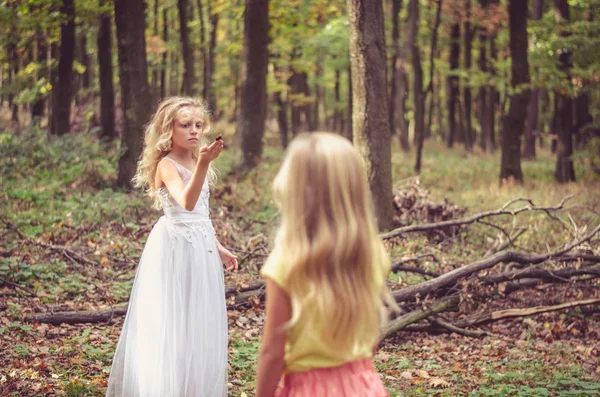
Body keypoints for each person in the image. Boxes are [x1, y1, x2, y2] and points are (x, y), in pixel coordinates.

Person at [106, 96, 237, 397]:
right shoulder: (167, 165)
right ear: (169, 129)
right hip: (174, 249)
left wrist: (218, 247)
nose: (194, 131)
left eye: (198, 125)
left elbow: (200, 213)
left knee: (196, 321)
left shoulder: (195, 159)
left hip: (200, 248)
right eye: (185, 125)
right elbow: (186, 203)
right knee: (173, 320)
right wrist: (204, 162)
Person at [256, 133, 395, 396]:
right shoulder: (372, 253)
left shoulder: (287, 261)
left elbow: (272, 354)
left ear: (295, 192)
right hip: (363, 384)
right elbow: (372, 334)